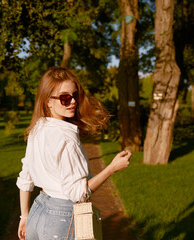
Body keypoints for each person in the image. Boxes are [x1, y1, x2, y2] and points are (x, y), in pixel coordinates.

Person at [16, 67, 132, 240]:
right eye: (64, 98)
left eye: (75, 95)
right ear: (48, 101)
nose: (72, 102)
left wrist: (24, 216)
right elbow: (79, 193)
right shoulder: (66, 138)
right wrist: (112, 168)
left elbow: (26, 178)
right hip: (61, 216)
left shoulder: (37, 128)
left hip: (37, 210)